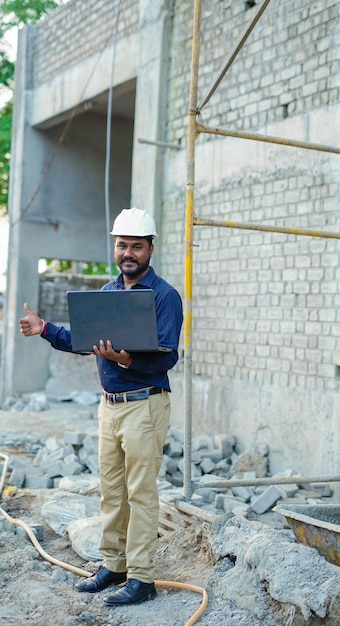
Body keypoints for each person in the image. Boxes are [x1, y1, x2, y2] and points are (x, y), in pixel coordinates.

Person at [19, 207, 183, 606]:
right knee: (112, 491)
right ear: (115, 246)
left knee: (141, 494)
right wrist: (46, 330)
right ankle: (115, 565)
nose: (128, 252)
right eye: (122, 244)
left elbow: (167, 355)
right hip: (109, 406)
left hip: (145, 405)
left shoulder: (164, 297)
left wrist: (127, 361)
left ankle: (142, 579)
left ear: (150, 249)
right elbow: (83, 338)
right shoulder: (109, 293)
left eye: (136, 246)